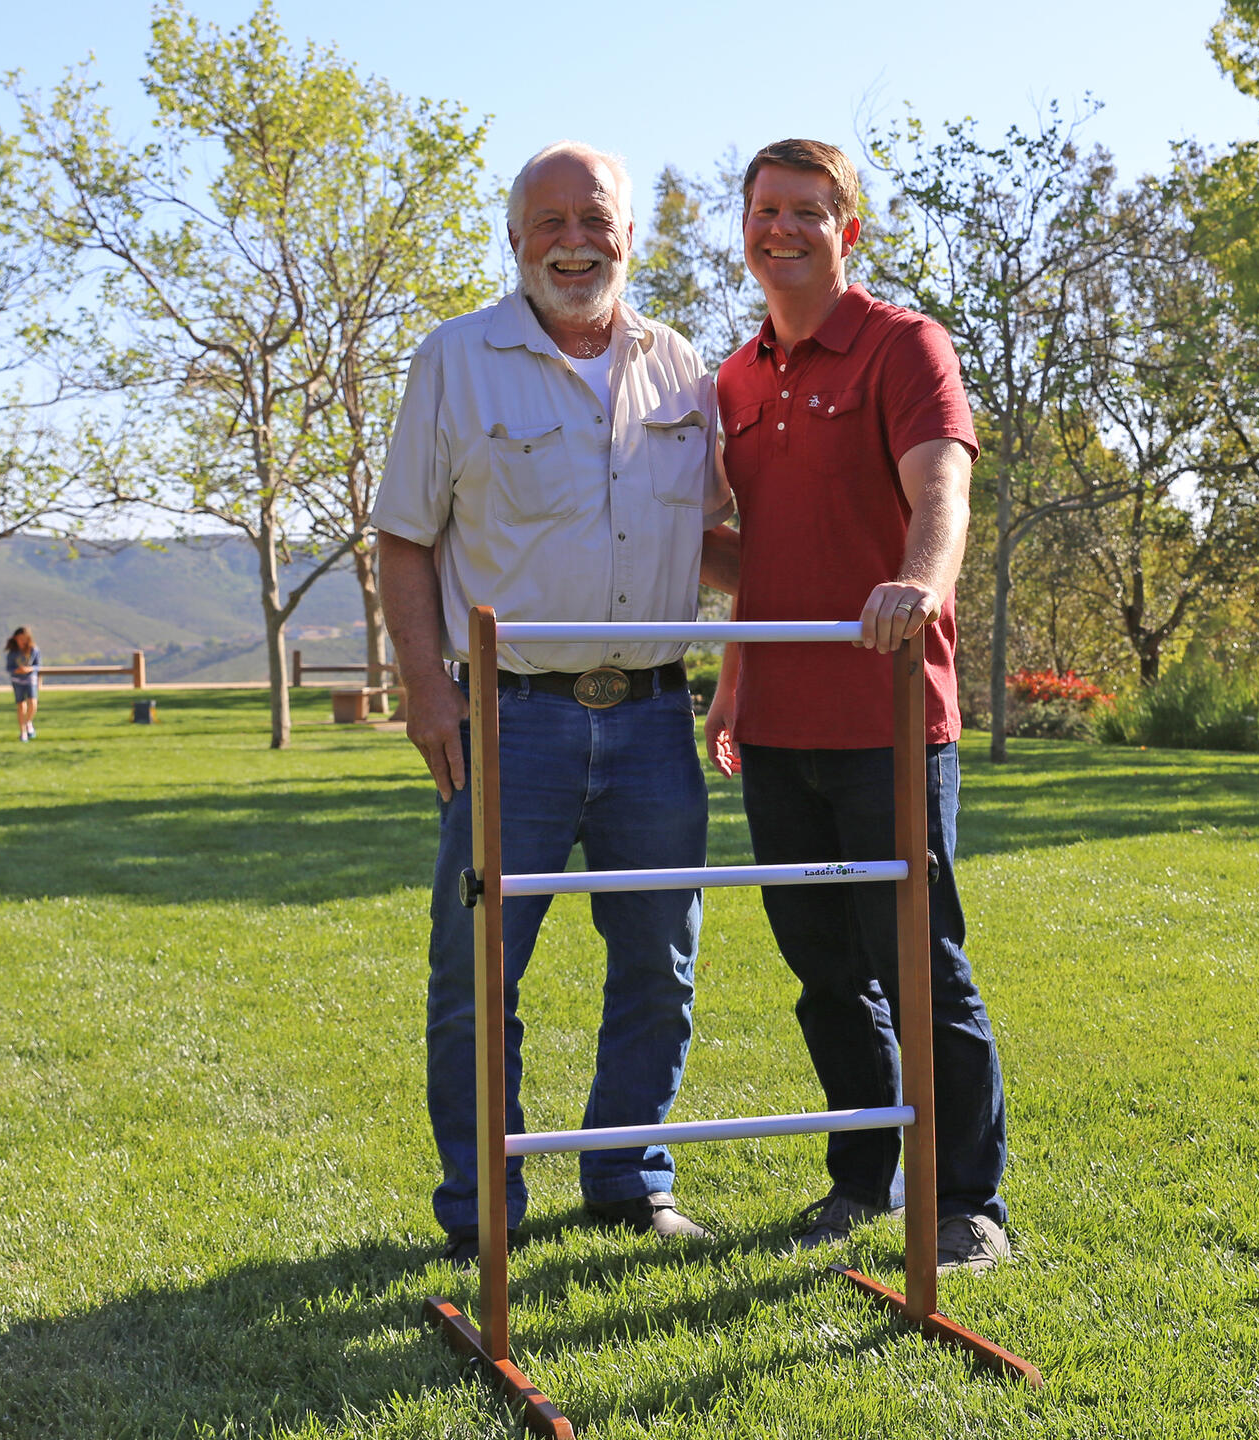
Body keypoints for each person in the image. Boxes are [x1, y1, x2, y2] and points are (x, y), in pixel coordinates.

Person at [372, 141, 737, 1265]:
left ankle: (630, 1180)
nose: (575, 242)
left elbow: (718, 544)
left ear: (630, 234)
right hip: (510, 721)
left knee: (660, 968)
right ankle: (485, 1207)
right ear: (516, 238)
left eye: (597, 220)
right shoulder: (455, 360)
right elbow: (403, 537)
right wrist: (428, 691)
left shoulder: (683, 369)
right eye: (549, 223)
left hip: (654, 722)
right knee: (478, 974)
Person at [706, 139, 1010, 1274]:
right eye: (762, 211)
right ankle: (861, 1178)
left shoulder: (903, 345)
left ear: (850, 230)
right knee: (823, 971)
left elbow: (943, 490)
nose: (778, 229)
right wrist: (733, 677)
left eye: (804, 211)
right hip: (777, 730)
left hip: (887, 721)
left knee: (919, 966)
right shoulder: (734, 379)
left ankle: (970, 1201)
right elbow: (764, 556)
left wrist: (922, 581)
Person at [5, 627, 40, 742]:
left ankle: (28, 722)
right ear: (16, 638)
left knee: (33, 703)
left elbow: (38, 665)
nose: (22, 641)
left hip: (30, 680)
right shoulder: (12, 652)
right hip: (17, 681)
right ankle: (23, 732)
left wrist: (29, 669)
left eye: (24, 639)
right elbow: (9, 668)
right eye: (20, 639)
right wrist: (17, 670)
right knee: (21, 706)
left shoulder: (33, 650)